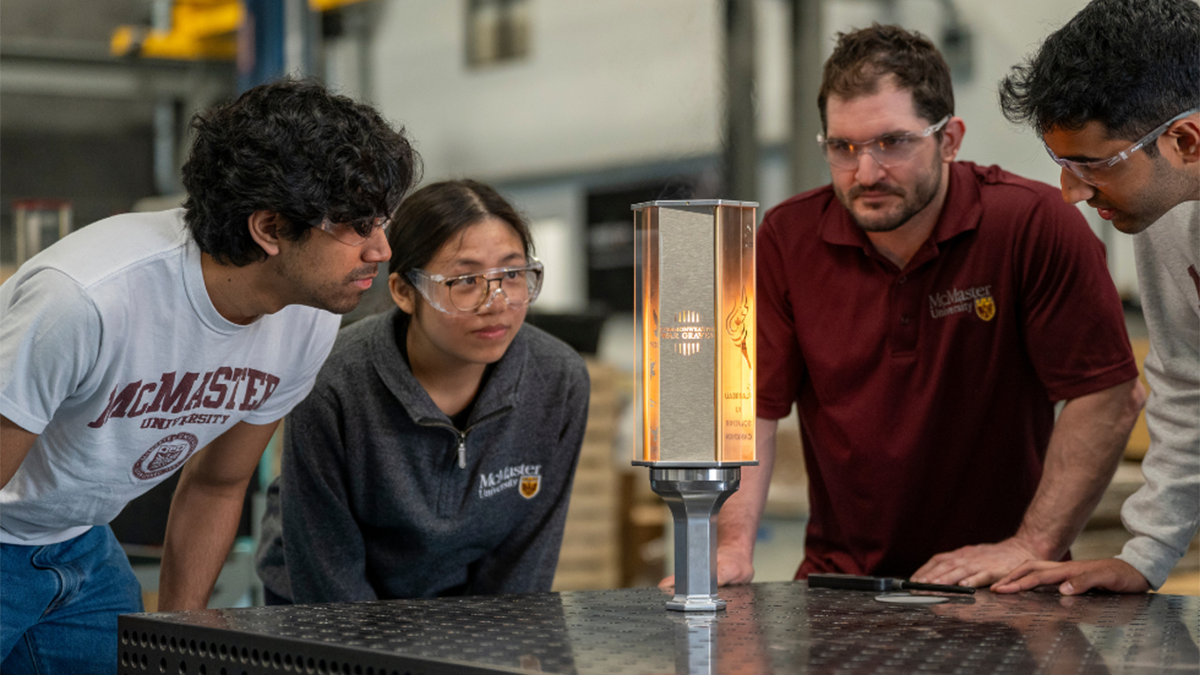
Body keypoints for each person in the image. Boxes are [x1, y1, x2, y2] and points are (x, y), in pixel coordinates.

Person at [694, 25, 1145, 590]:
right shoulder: (787, 240)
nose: (865, 173)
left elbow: (1107, 394)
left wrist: (1031, 546)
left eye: (893, 142)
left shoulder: (1031, 225)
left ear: (950, 139)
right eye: (843, 148)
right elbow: (750, 412)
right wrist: (733, 548)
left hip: (1001, 586)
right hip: (842, 590)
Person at [0, 79, 416, 674]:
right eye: (355, 226)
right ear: (269, 228)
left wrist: (178, 646)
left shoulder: (306, 317)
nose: (381, 249)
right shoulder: (87, 301)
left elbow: (218, 484)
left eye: (382, 221)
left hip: (80, 540)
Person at [255, 179, 590, 603]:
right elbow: (326, 570)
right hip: (322, 608)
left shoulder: (557, 380)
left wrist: (499, 646)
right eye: (465, 280)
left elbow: (526, 560)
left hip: (461, 615)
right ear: (403, 292)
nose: (497, 301)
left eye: (512, 274)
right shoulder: (330, 381)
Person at [993, 0, 1200, 596]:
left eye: (1092, 165)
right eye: (1061, 163)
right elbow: (1189, 385)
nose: (1071, 193)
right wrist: (1147, 554)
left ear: (1184, 140)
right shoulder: (1164, 213)